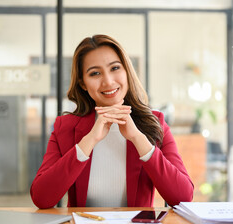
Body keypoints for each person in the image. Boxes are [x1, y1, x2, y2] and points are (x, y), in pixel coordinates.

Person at [30, 34, 194, 209]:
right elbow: (42, 198)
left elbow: (182, 197)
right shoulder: (65, 127)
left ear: (127, 72)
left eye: (115, 68)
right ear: (83, 83)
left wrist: (138, 139)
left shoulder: (156, 123)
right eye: (95, 73)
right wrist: (89, 141)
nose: (108, 81)